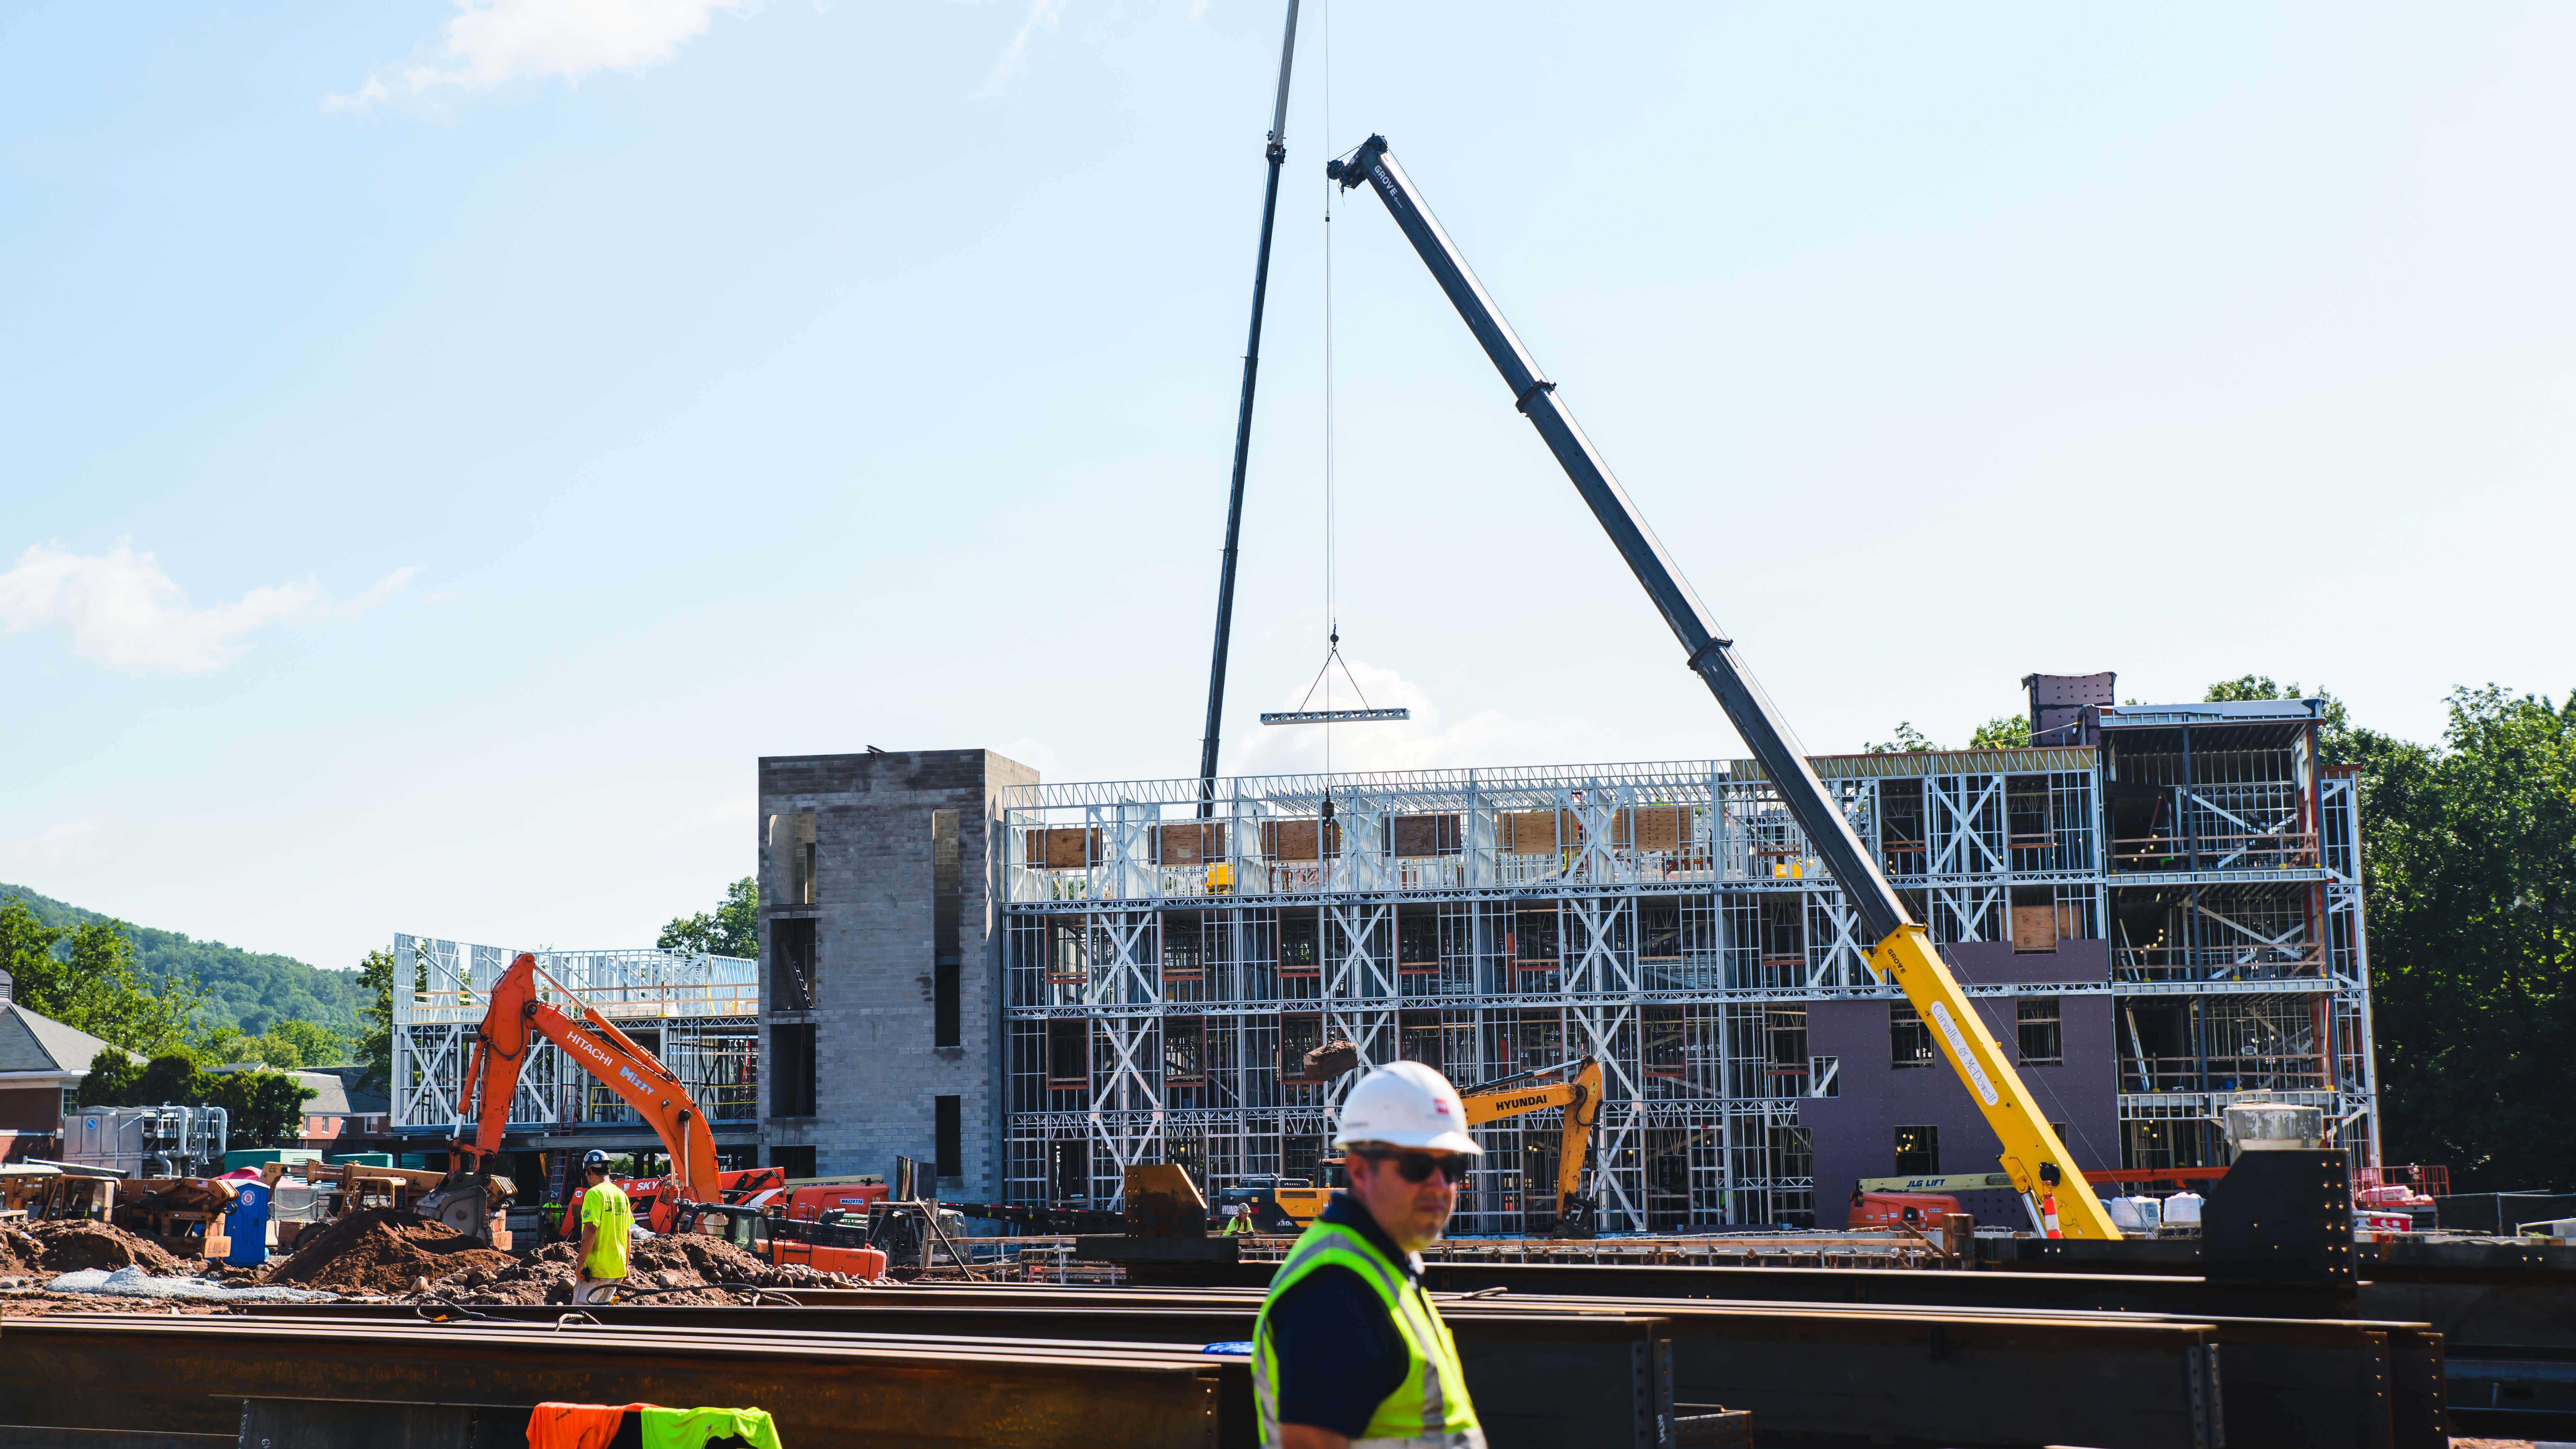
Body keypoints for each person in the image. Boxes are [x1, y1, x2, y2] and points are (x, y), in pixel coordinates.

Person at [1253, 1061, 1484, 1449]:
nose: (1440, 1185)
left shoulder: (1383, 1267)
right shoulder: (1335, 1291)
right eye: (1418, 1165)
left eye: (1452, 1167)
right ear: (1360, 1172)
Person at [574, 1149, 633, 1305]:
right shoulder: (622, 1196)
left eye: (587, 1174)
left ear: (591, 1171)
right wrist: (626, 1266)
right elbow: (628, 1234)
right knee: (602, 1315)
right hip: (617, 1269)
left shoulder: (594, 1194)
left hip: (597, 1269)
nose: (588, 1179)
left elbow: (590, 1231)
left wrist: (581, 1263)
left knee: (580, 1314)